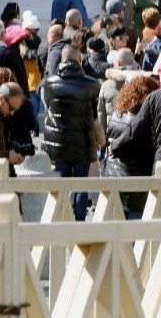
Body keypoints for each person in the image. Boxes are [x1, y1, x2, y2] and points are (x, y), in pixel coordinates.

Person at [40, 45, 103, 220]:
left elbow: (48, 112)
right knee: (81, 184)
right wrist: (101, 138)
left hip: (59, 141)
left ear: (61, 60)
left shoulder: (50, 83)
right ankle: (80, 221)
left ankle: (62, 219)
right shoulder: (91, 84)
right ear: (80, 60)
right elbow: (94, 117)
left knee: (63, 184)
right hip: (82, 141)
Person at [103, 76, 161, 218]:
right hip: (135, 179)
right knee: (135, 228)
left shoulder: (117, 113)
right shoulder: (144, 120)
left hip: (113, 173)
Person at [0, 82, 27, 168]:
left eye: (15, 110)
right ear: (1, 99)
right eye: (11, 108)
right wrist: (7, 156)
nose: (12, 113)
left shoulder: (3, 117)